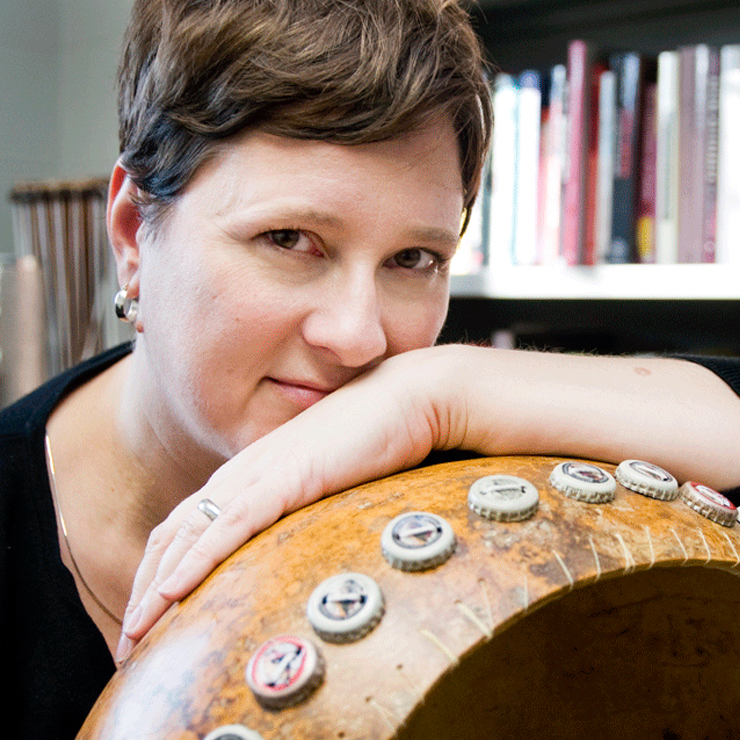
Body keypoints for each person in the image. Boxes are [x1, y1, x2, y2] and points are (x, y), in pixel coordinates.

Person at [1, 0, 739, 737]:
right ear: (134, 234)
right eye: (289, 239)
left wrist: (445, 389)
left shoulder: (444, 453)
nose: (357, 338)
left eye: (414, 260)